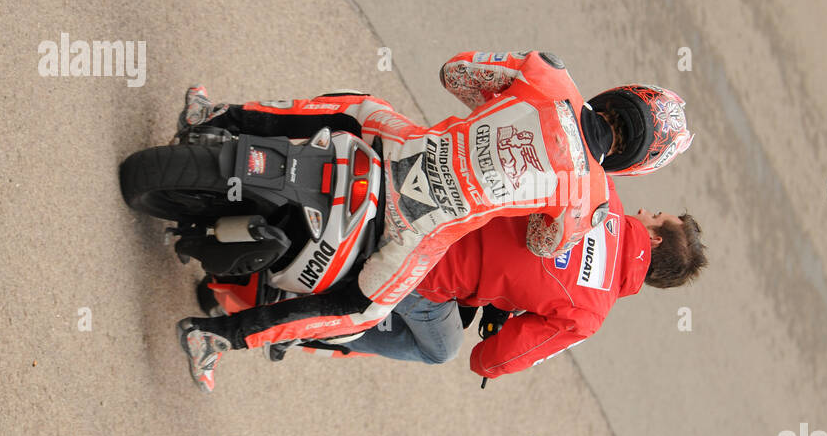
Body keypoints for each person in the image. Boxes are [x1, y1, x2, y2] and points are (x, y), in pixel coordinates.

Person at [173, 51, 695, 392]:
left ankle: (216, 116)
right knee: (359, 314)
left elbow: (456, 73)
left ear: (623, 93)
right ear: (638, 162)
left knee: (356, 107)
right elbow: (494, 353)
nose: (646, 213)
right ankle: (221, 337)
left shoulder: (550, 75)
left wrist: (502, 110)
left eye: (657, 215)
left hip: (403, 148)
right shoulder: (589, 196)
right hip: (419, 234)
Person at [340, 180, 707, 378]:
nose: (644, 210)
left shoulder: (602, 188)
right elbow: (490, 361)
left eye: (656, 214)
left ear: (655, 238)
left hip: (439, 187)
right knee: (442, 350)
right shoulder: (589, 314)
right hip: (428, 267)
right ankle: (337, 332)